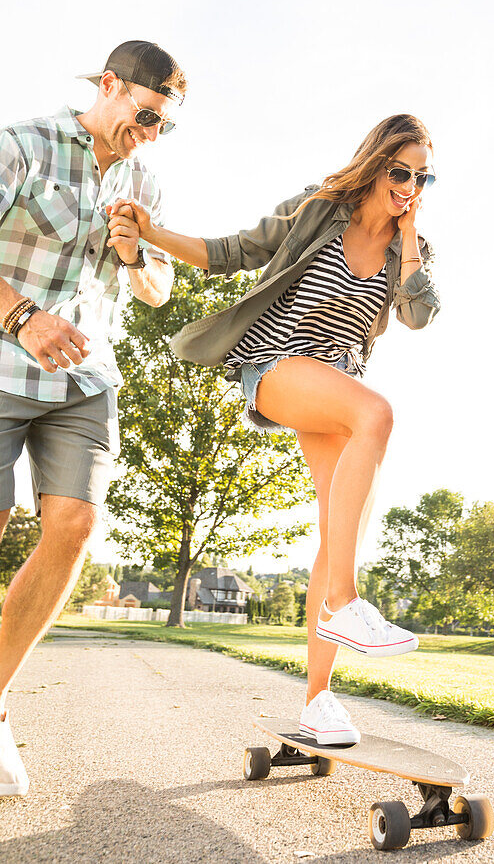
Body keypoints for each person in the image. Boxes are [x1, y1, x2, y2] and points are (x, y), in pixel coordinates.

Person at [111, 113, 439, 744]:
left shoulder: (409, 243)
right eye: (401, 172)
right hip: (277, 363)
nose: (410, 185)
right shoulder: (318, 209)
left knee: (337, 536)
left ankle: (318, 702)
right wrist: (154, 232)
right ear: (375, 164)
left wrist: (413, 236)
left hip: (335, 382)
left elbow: (418, 314)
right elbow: (235, 252)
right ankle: (346, 605)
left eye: (424, 177)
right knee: (378, 413)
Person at [0, 41, 184, 795]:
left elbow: (157, 293)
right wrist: (20, 317)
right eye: (144, 115)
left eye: (164, 126)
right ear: (110, 85)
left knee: (72, 524)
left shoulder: (144, 180)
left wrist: (138, 253)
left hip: (85, 372)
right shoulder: (24, 145)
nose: (148, 133)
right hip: (5, 353)